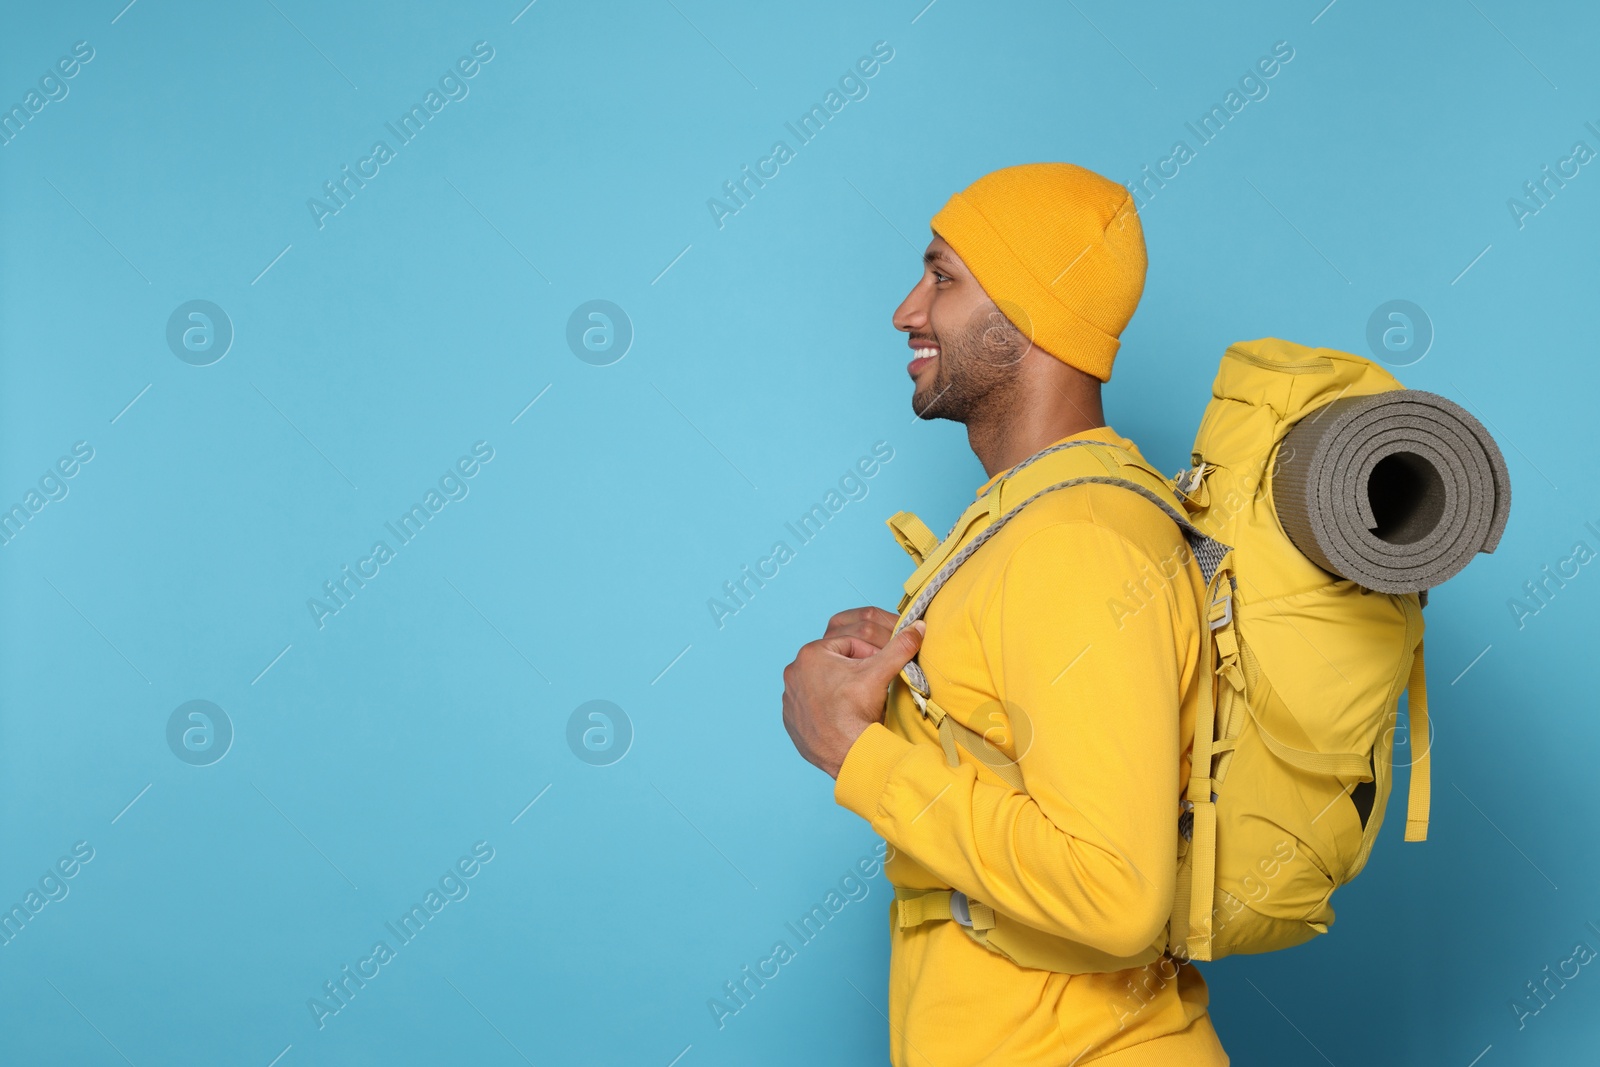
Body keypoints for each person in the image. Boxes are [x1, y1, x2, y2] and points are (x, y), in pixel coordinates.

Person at [780, 162, 1229, 1065]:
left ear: (1032, 312)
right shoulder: (1030, 522)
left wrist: (855, 752)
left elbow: (1116, 891)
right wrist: (917, 663)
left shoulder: (1077, 543)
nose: (909, 310)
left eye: (943, 277)